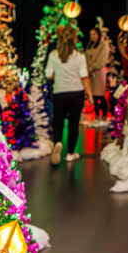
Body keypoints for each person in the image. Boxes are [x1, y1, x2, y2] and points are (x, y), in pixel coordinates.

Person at [46, 24, 93, 165]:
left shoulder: (53, 54)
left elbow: (48, 74)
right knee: (73, 124)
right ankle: (70, 154)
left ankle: (58, 142)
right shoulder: (79, 56)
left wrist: (60, 76)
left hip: (59, 93)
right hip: (76, 94)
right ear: (74, 39)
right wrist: (90, 94)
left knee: (58, 123)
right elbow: (84, 76)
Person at [85, 27, 110, 124]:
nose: (92, 36)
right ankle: (96, 116)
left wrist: (93, 67)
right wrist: (88, 69)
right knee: (94, 96)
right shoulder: (90, 45)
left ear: (98, 34)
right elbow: (86, 58)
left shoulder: (103, 44)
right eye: (91, 34)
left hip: (98, 73)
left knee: (100, 95)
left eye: (94, 34)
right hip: (90, 73)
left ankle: (103, 116)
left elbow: (102, 59)